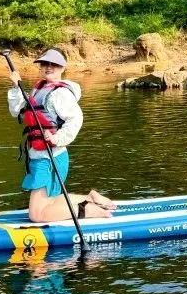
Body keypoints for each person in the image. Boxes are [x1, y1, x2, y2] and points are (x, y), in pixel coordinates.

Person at [8, 48, 116, 222]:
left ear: (62, 67)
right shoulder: (39, 89)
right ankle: (89, 198)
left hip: (51, 158)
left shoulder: (60, 93)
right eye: (45, 64)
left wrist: (56, 138)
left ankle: (88, 211)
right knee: (48, 202)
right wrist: (15, 87)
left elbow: (75, 120)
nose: (49, 67)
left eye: (54, 64)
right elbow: (16, 112)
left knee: (37, 216)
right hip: (38, 156)